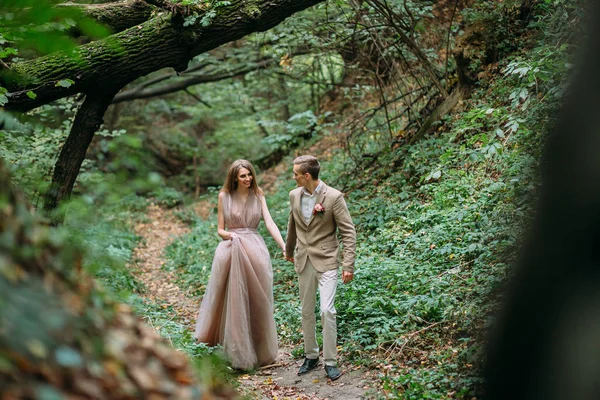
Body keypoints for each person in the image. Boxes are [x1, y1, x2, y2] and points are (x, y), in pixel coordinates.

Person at [194, 159, 286, 370]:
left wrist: (283, 245)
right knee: (232, 299)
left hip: (255, 248)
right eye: (243, 176)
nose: (248, 179)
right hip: (232, 248)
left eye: (249, 174)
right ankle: (235, 351)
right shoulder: (223, 197)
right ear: (234, 178)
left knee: (257, 298)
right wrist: (231, 236)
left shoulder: (258, 195)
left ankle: (259, 349)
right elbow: (220, 228)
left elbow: (269, 222)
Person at [285, 155, 356, 381]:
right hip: (303, 259)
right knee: (306, 311)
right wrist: (289, 251)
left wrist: (348, 264)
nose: (293, 177)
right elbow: (292, 224)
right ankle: (311, 355)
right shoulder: (294, 195)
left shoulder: (334, 197)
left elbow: (348, 231)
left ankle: (331, 361)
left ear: (307, 176)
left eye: (295, 173)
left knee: (327, 310)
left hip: (327, 260)